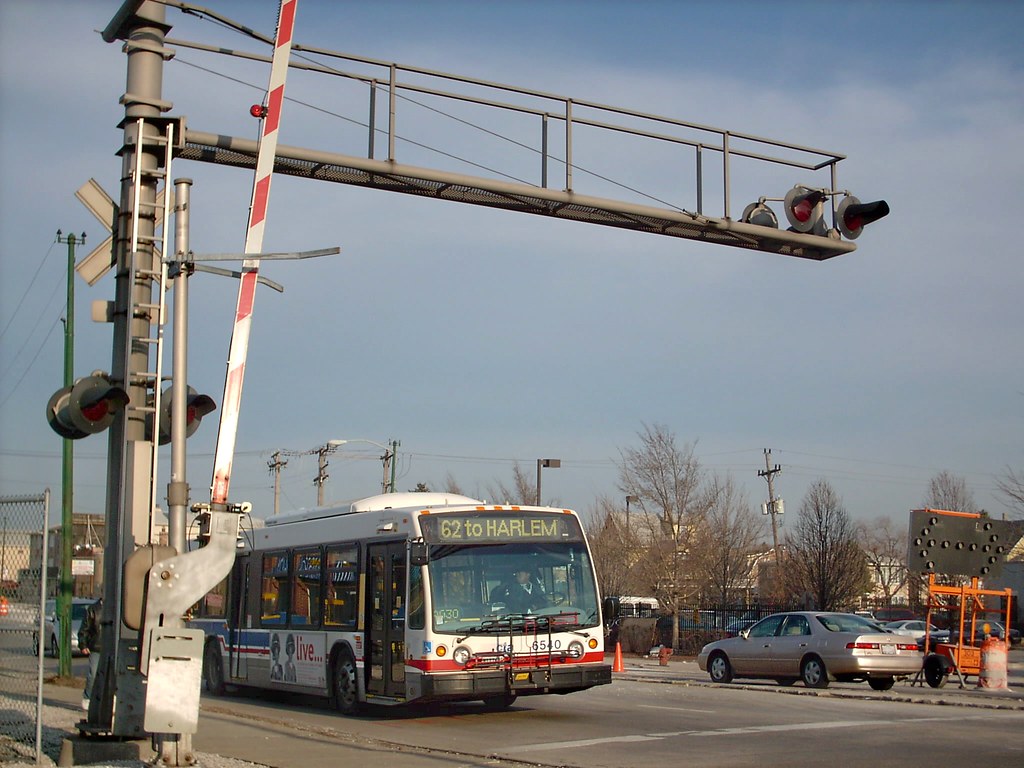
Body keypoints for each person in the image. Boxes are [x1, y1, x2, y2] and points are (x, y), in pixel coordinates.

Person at [77, 597, 102, 710]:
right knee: (93, 673)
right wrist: (83, 644)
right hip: (97, 647)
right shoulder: (93, 609)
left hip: (112, 647)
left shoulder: (116, 607)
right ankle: (88, 697)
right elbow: (85, 628)